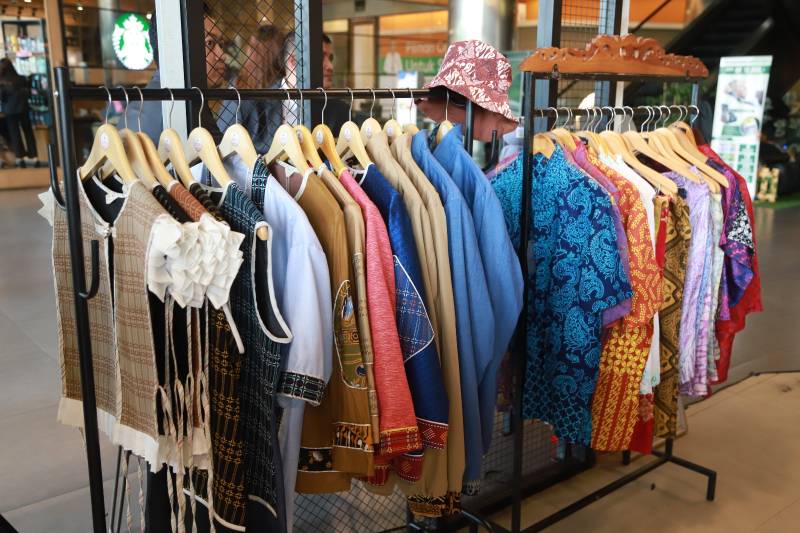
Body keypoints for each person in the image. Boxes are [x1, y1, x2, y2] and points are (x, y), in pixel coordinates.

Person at [0, 58, 37, 167]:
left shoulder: (2, 82)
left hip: (10, 111)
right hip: (24, 109)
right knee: (28, 132)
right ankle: (34, 156)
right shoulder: (21, 78)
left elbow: (2, 98)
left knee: (15, 133)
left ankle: (20, 157)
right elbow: (29, 94)